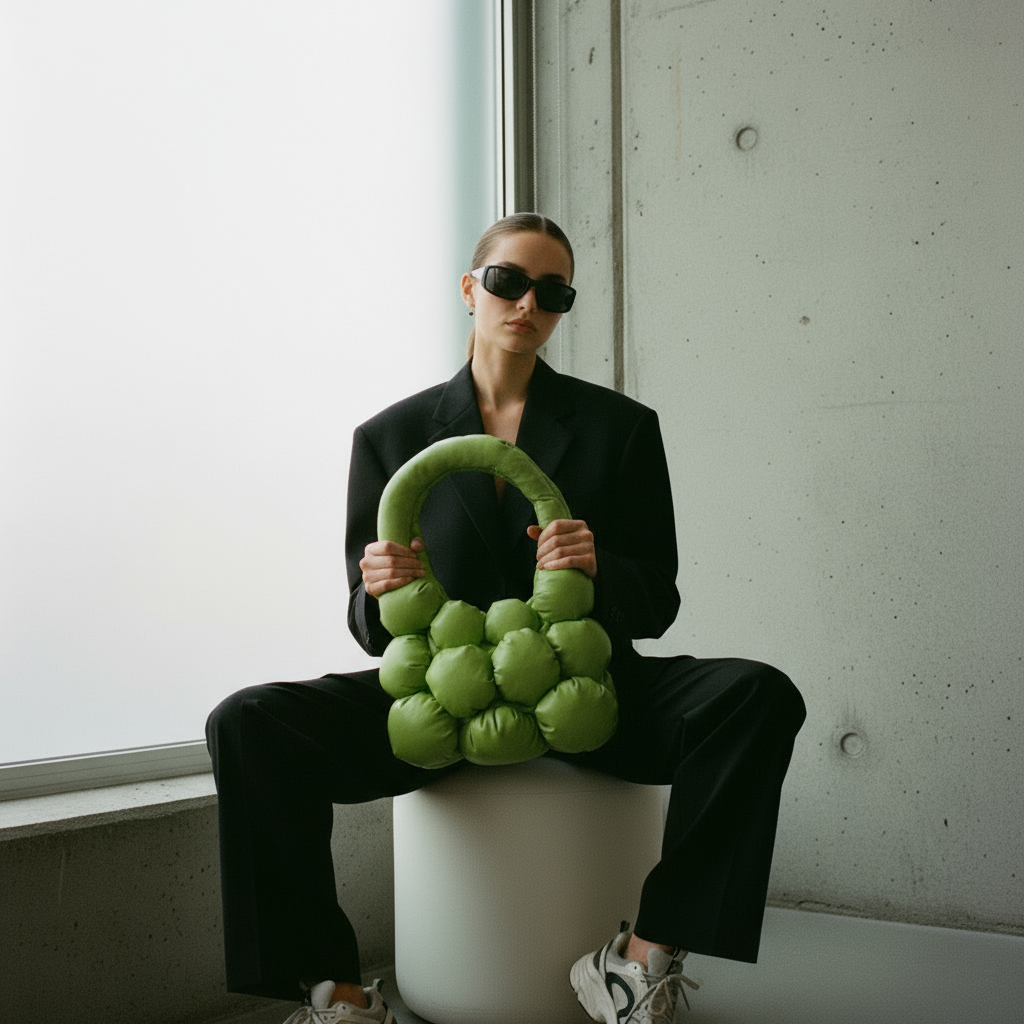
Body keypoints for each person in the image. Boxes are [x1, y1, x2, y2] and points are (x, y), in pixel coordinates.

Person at [206, 213, 807, 1024]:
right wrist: (375, 589)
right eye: (508, 281)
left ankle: (641, 959)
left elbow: (657, 600)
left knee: (758, 695)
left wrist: (599, 567)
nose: (528, 303)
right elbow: (370, 623)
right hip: (438, 698)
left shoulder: (621, 428)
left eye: (553, 292)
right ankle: (337, 995)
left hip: (586, 689)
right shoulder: (388, 437)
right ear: (470, 287)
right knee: (247, 722)